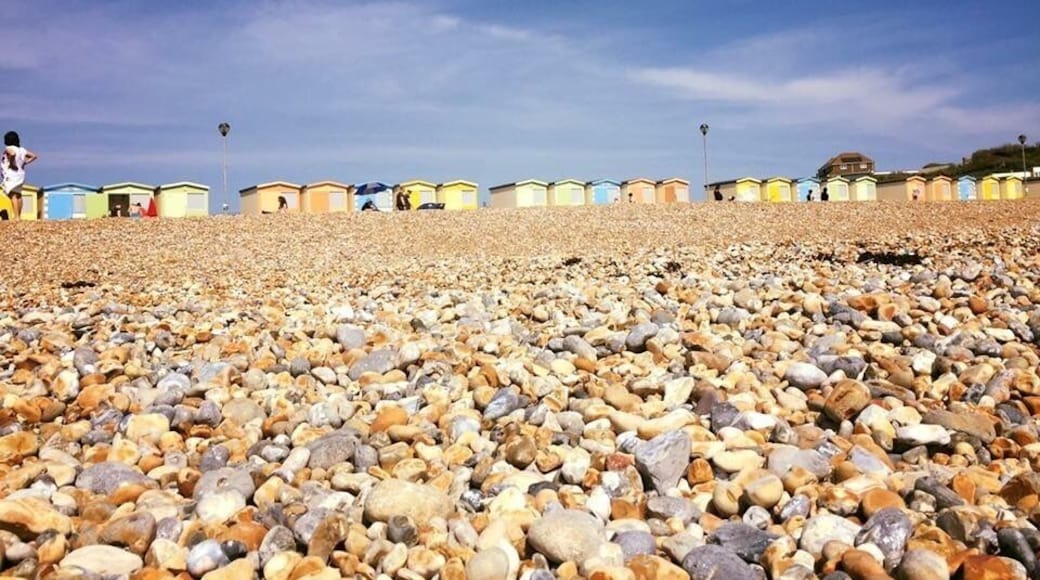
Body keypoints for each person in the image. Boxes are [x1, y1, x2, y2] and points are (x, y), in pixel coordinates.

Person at [2, 131, 38, 221]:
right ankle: (19, 216)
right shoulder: (22, 150)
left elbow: (12, 154)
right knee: (18, 194)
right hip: (20, 174)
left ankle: (16, 216)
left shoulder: (8, 148)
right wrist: (25, 162)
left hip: (11, 173)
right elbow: (34, 156)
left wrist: (12, 163)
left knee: (13, 195)